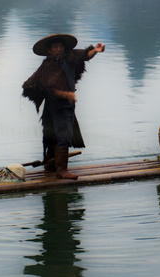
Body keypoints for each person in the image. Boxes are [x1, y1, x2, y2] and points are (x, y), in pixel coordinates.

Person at [21, 33, 106, 179]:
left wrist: (95, 51)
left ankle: (50, 163)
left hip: (69, 102)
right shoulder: (48, 65)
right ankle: (62, 171)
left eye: (60, 46)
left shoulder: (69, 57)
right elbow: (46, 87)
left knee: (55, 133)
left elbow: (85, 55)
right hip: (56, 103)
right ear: (49, 51)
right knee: (64, 134)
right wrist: (65, 95)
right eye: (55, 47)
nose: (59, 49)